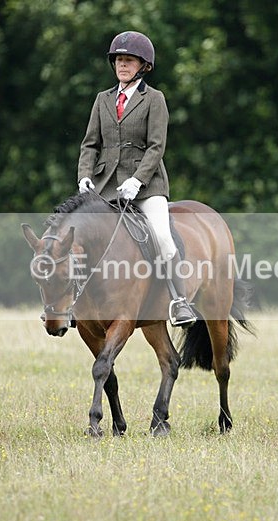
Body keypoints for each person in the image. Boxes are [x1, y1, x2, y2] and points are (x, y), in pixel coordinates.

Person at [76, 30, 198, 327]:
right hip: (106, 188)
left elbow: (157, 146)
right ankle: (73, 304)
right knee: (76, 238)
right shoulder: (102, 100)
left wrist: (138, 180)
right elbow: (90, 144)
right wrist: (84, 176)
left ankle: (180, 302)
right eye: (119, 59)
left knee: (162, 237)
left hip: (147, 187)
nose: (122, 65)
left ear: (143, 66)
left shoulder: (154, 99)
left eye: (129, 60)